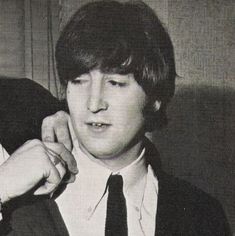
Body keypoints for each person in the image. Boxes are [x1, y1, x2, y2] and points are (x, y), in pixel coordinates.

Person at [0, 1, 231, 235]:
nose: (93, 103)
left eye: (115, 83)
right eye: (79, 81)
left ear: (154, 97)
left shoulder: (201, 216)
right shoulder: (15, 204)